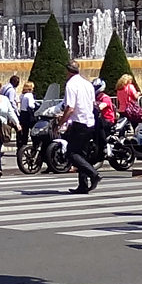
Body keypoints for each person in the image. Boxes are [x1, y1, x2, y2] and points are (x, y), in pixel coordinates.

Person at [58, 60, 100, 195]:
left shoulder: (71, 85)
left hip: (79, 123)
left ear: (68, 71)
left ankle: (93, 174)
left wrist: (61, 122)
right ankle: (83, 185)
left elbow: (70, 108)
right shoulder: (87, 84)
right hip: (90, 122)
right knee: (82, 154)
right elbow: (93, 103)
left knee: (71, 154)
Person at [16, 80, 38, 151]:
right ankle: (35, 147)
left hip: (23, 114)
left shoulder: (22, 95)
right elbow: (31, 106)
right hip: (29, 116)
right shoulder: (29, 95)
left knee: (24, 134)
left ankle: (22, 148)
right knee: (34, 132)